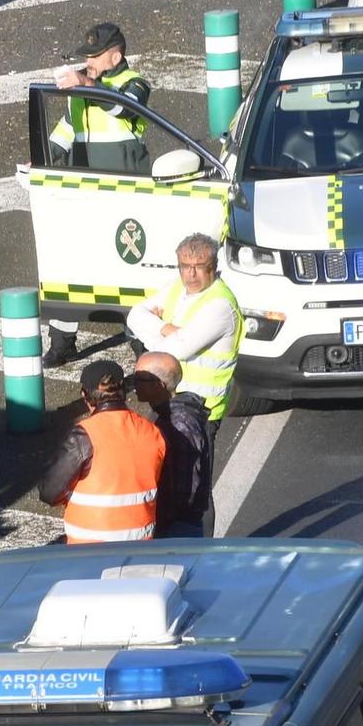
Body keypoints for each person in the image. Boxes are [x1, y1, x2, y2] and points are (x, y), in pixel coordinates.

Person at [44, 22, 154, 369]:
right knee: (71, 266)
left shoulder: (133, 84)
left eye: (94, 56)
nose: (87, 61)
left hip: (126, 197)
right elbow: (63, 135)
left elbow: (124, 107)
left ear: (116, 56)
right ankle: (62, 342)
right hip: (84, 196)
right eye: (86, 57)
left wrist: (86, 83)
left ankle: (142, 344)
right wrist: (41, 160)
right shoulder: (83, 91)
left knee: (130, 271)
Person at [125, 233, 242, 444]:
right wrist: (167, 328)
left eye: (199, 265)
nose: (191, 274)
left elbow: (175, 350)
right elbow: (134, 316)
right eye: (185, 266)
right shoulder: (177, 288)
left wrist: (154, 333)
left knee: (191, 475)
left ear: (213, 266)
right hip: (170, 400)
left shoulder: (221, 305)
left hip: (201, 410)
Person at [38, 359, 166, 544]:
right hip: (140, 543)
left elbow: (49, 491)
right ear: (123, 391)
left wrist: (70, 495)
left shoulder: (84, 434)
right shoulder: (151, 431)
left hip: (89, 548)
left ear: (85, 395)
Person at [133, 351, 214, 538]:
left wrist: (163, 518)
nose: (133, 384)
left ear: (159, 385)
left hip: (178, 527)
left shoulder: (179, 424)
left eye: (140, 379)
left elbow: (185, 484)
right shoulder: (166, 414)